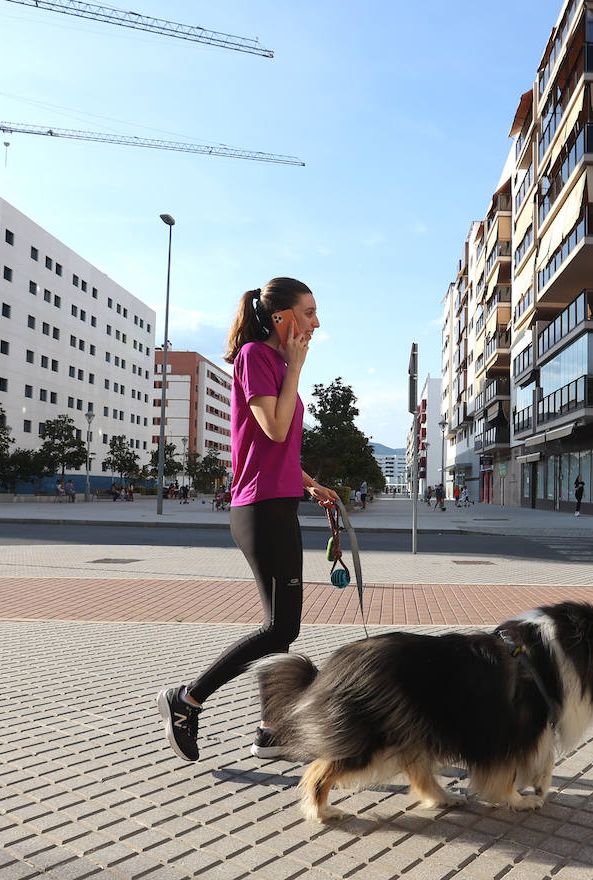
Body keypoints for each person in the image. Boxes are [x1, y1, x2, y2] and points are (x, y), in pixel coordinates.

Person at [159, 277, 338, 763]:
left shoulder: (273, 363)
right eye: (310, 311)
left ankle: (270, 730)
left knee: (281, 628)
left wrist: (308, 483)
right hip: (259, 510)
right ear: (283, 317)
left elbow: (269, 446)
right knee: (279, 628)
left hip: (278, 502)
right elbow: (274, 427)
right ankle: (188, 699)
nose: (316, 322)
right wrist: (296, 368)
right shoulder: (256, 357)